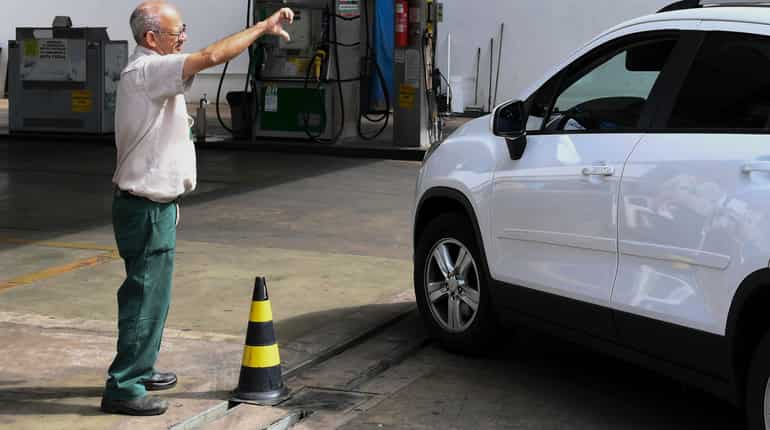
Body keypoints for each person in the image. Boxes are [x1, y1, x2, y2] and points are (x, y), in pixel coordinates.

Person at [102, 1, 294, 416]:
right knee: (144, 300)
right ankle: (124, 385)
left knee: (154, 297)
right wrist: (262, 27)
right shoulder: (148, 70)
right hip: (146, 209)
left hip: (154, 208)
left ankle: (141, 366)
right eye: (176, 33)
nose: (183, 38)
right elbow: (211, 57)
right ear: (151, 39)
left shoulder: (155, 71)